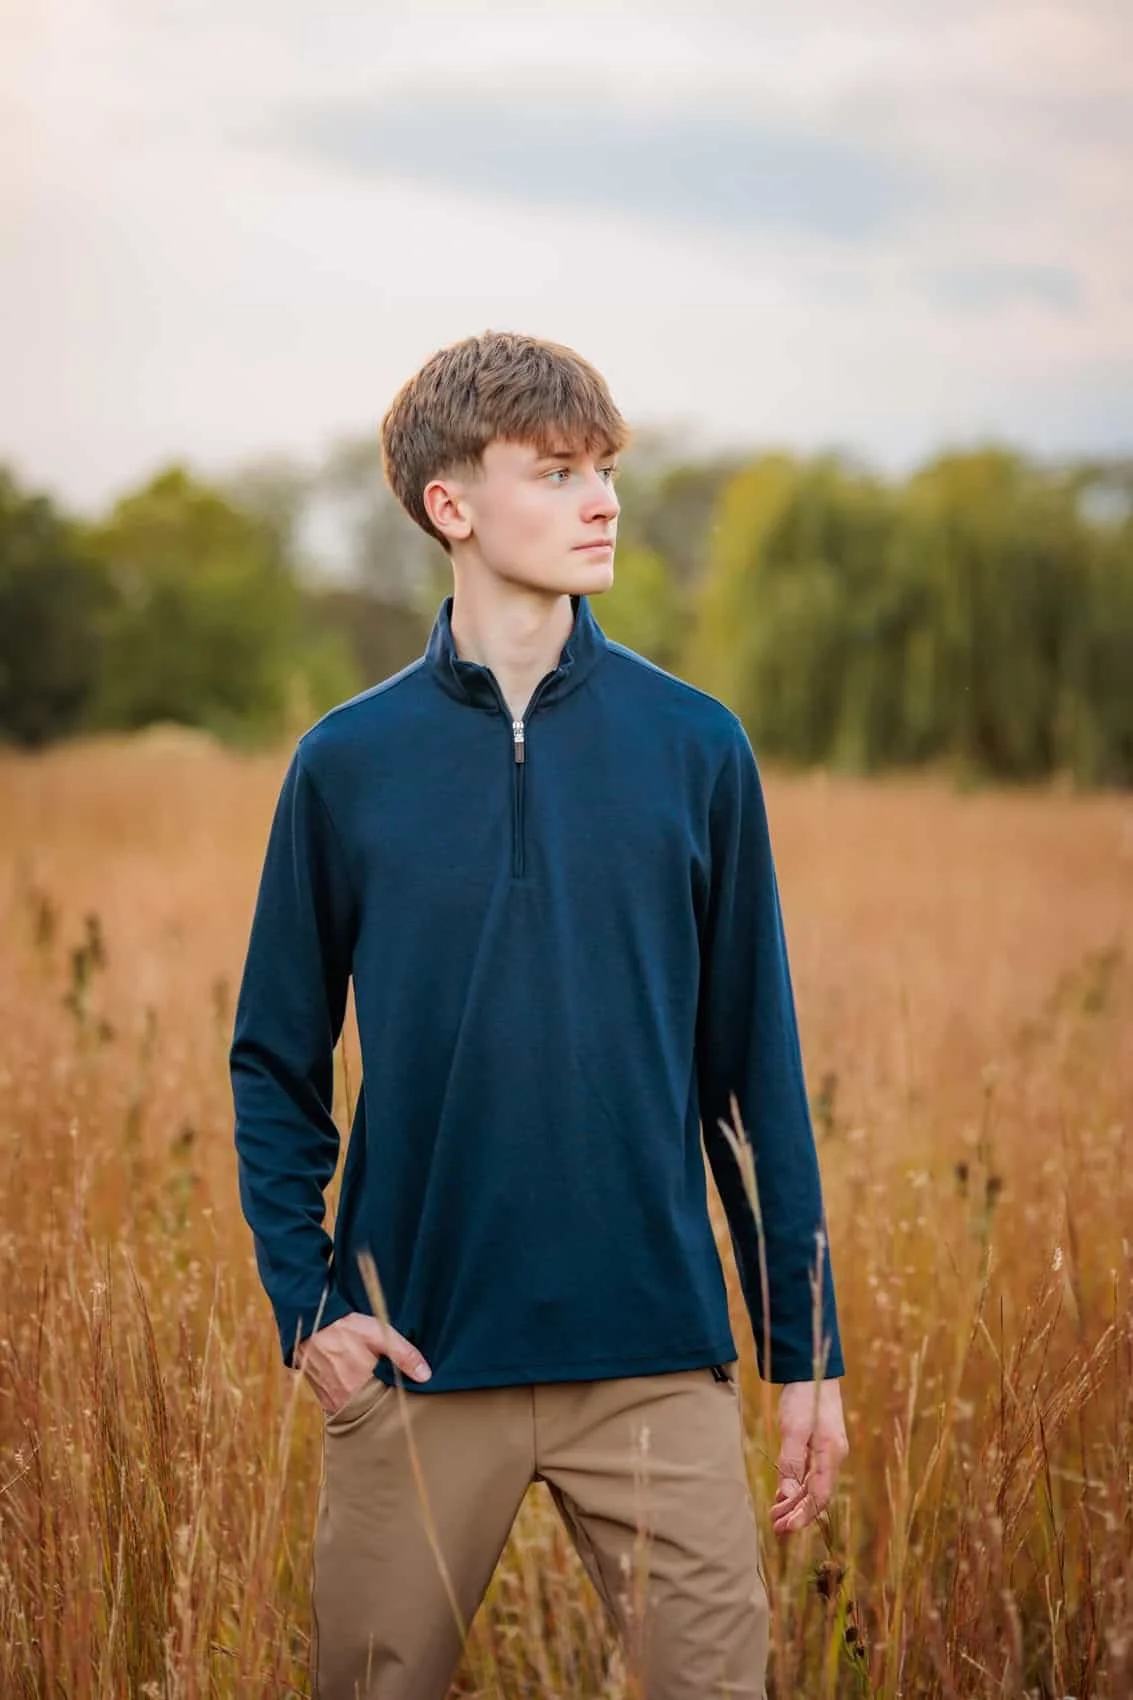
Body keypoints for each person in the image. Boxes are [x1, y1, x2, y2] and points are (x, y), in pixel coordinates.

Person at [230, 330, 849, 1700]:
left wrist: (805, 1358)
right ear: (451, 505)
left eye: (607, 470)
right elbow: (275, 1058)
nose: (602, 500)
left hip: (654, 1361)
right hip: (416, 1359)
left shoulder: (696, 747)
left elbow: (751, 1073)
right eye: (558, 471)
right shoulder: (347, 767)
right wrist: (307, 1304)